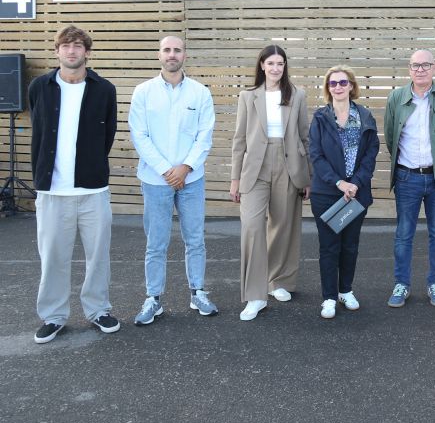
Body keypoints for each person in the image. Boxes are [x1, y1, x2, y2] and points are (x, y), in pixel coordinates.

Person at [29, 25, 120, 344]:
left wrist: (91, 166)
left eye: (78, 45)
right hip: (52, 191)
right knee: (52, 256)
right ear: (57, 51)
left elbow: (107, 133)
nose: (72, 50)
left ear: (87, 52)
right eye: (66, 45)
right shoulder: (40, 87)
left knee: (98, 256)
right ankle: (53, 316)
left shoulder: (104, 89)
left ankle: (98, 310)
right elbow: (38, 132)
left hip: (93, 191)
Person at [128, 36, 217, 325]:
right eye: (167, 50)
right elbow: (139, 135)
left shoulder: (200, 92)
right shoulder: (143, 92)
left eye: (177, 50)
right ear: (159, 55)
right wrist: (167, 170)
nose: (172, 55)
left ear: (184, 55)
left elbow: (205, 135)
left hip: (192, 179)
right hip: (156, 180)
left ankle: (198, 292)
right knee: (156, 242)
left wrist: (186, 167)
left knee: (195, 239)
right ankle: (153, 298)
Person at [230, 45, 311, 321]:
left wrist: (306, 175)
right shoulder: (248, 96)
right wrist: (235, 178)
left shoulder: (297, 94)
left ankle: (278, 281)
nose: (276, 68)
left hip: (288, 164)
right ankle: (254, 295)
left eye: (281, 63)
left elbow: (305, 137)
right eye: (271, 63)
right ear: (262, 65)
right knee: (253, 227)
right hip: (256, 167)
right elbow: (239, 140)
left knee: (283, 225)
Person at [384, 50, 435, 307]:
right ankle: (401, 284)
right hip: (407, 177)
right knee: (404, 233)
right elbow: (390, 135)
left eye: (425, 65)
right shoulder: (396, 97)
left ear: (434, 68)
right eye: (415, 65)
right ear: (409, 69)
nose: (420, 70)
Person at [309, 66, 379, 319]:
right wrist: (339, 183)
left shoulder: (366, 117)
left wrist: (355, 183)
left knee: (350, 245)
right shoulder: (320, 118)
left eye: (342, 82)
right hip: (326, 193)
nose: (337, 87)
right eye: (332, 83)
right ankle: (328, 297)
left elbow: (371, 155)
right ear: (328, 88)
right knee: (329, 247)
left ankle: (345, 290)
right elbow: (316, 156)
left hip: (356, 194)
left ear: (351, 85)